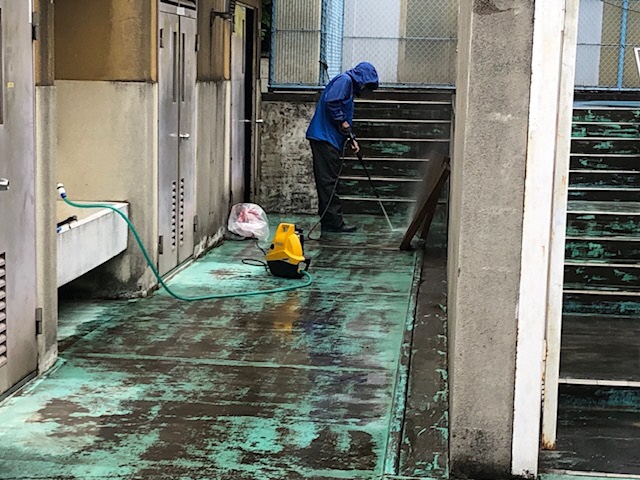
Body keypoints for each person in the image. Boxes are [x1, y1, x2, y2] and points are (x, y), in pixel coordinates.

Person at [306, 61, 379, 233]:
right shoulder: (344, 80)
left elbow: (341, 112)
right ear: (362, 78)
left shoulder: (347, 85)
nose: (365, 90)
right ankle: (334, 222)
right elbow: (332, 102)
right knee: (328, 182)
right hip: (325, 139)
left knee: (328, 182)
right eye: (367, 86)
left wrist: (350, 137)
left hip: (329, 138)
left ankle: (329, 220)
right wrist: (343, 122)